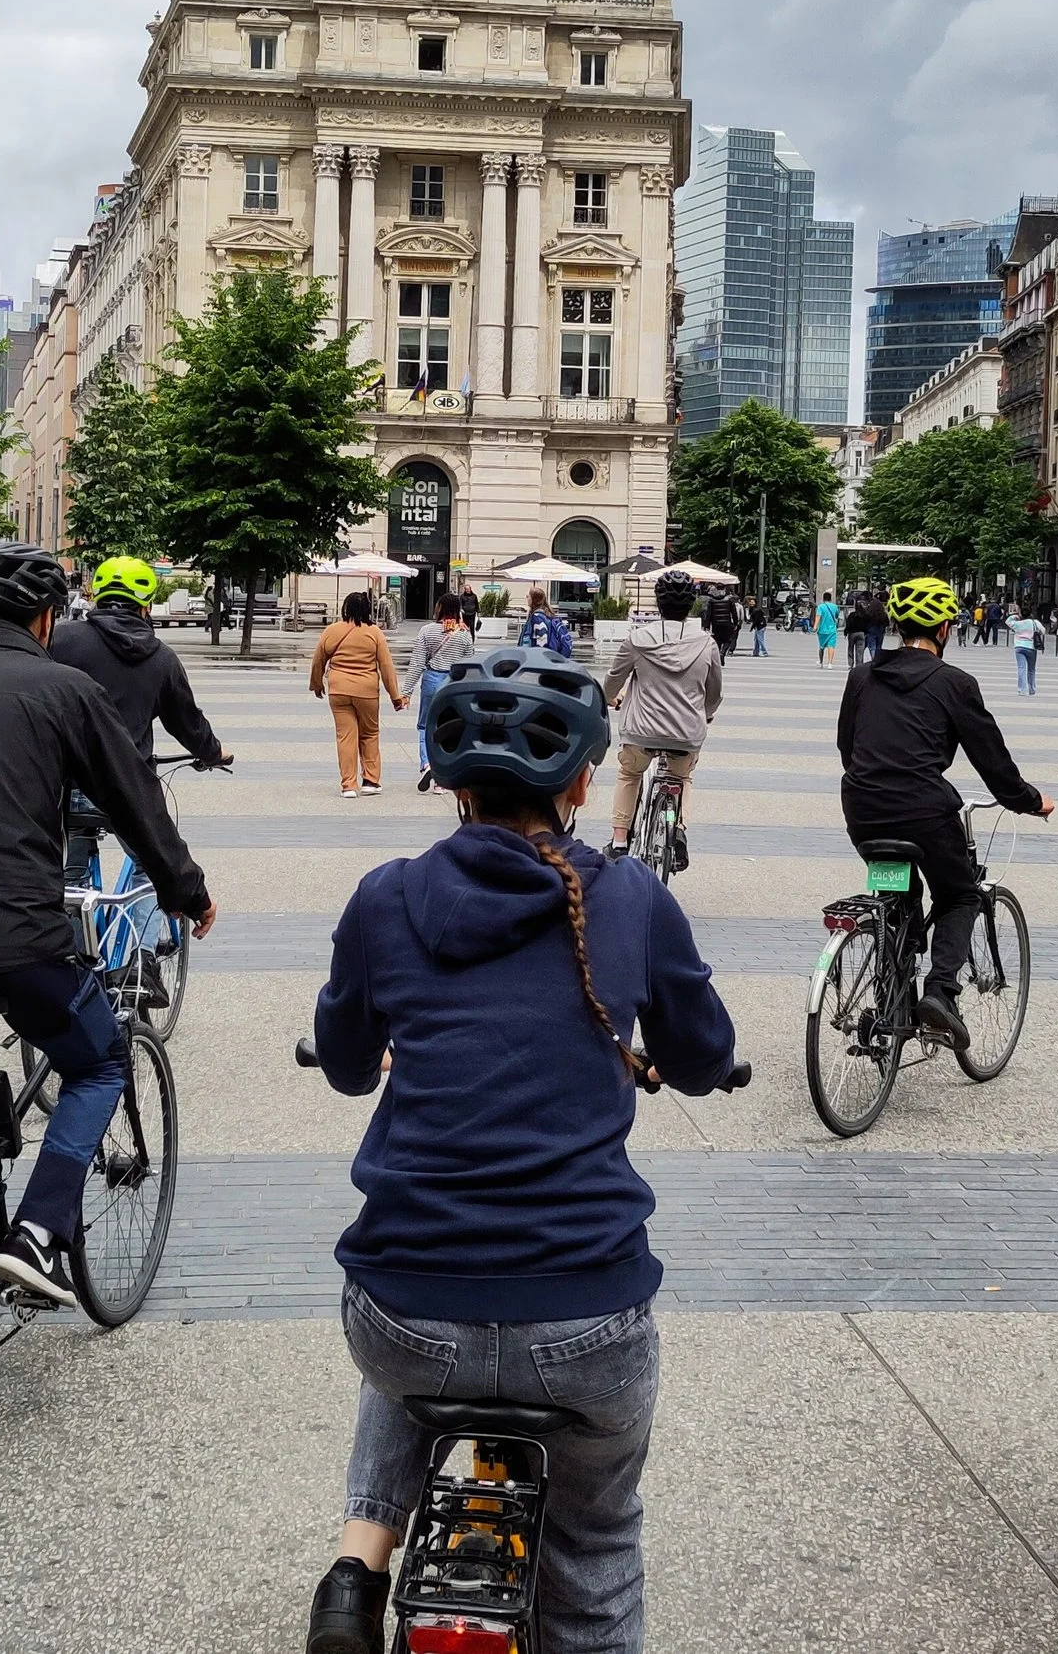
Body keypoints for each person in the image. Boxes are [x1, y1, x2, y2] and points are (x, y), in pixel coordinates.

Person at [303, 647, 739, 1654]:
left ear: (448, 776)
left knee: (408, 1319)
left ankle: (356, 1562)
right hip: (586, 1320)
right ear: (584, 779)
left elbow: (342, 1064)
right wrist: (676, 1059)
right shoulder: (630, 900)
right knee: (593, 1549)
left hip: (405, 1315)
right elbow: (704, 1054)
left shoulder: (383, 897)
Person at [0, 542, 216, 1307]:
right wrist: (187, 892)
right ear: (46, 616)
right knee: (97, 1063)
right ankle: (38, 1234)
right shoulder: (63, 690)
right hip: (20, 940)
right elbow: (136, 805)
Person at [837, 577, 1052, 1046]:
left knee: (901, 895)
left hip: (863, 807)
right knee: (960, 894)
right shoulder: (955, 683)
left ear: (896, 625)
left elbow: (847, 747)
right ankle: (940, 992)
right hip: (925, 812)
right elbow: (991, 759)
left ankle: (897, 967)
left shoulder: (861, 677)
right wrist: (1031, 801)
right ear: (945, 628)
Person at [46, 556, 229, 907]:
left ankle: (76, 952)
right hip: (129, 787)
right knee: (155, 869)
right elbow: (187, 724)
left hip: (70, 783)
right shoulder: (161, 658)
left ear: (96, 595)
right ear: (146, 605)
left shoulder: (61, 640)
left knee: (71, 877)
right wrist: (214, 752)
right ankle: (142, 955)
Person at [604, 570, 724, 867]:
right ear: (691, 605)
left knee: (630, 775)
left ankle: (619, 841)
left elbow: (612, 681)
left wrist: (611, 699)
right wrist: (705, 715)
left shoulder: (637, 640)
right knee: (682, 777)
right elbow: (715, 692)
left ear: (658, 603)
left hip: (641, 732)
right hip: (686, 733)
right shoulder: (706, 644)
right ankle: (678, 829)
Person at [310, 591, 409, 798]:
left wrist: (317, 684)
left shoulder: (332, 630)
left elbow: (318, 659)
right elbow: (386, 667)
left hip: (338, 690)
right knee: (369, 734)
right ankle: (370, 781)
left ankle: (348, 785)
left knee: (345, 737)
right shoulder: (374, 633)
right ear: (367, 609)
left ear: (346, 608)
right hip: (366, 691)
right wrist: (395, 696)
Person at [408, 591, 476, 792]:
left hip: (432, 679)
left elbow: (417, 663)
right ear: (458, 610)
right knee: (449, 726)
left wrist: (405, 691)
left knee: (425, 725)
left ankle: (427, 764)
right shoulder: (464, 633)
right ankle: (441, 779)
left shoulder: (427, 631)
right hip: (453, 683)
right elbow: (470, 664)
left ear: (439, 608)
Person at [518, 587, 574, 659]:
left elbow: (541, 641)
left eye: (528, 596)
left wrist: (538, 659)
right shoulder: (544, 614)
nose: (527, 599)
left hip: (537, 659)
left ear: (534, 599)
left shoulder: (537, 617)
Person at [1007, 601, 1043, 696]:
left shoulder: (1017, 624)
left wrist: (1015, 616)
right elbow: (1043, 631)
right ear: (1031, 613)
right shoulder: (1034, 622)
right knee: (1031, 669)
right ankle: (1032, 689)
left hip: (1019, 646)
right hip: (1031, 647)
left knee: (1021, 668)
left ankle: (1022, 690)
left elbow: (1008, 621)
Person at [702, 587, 741, 660]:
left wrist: (706, 625)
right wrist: (736, 623)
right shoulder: (729, 600)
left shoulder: (711, 601)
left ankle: (718, 655)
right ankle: (722, 652)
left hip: (715, 624)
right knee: (728, 640)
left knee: (717, 640)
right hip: (727, 623)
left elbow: (708, 614)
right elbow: (734, 612)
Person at [814, 591, 840, 668]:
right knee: (831, 646)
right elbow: (836, 616)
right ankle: (830, 663)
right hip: (832, 630)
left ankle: (821, 662)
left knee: (821, 647)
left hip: (822, 630)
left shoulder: (820, 607)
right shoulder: (835, 607)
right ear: (830, 599)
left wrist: (815, 626)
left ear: (823, 599)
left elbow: (818, 616)